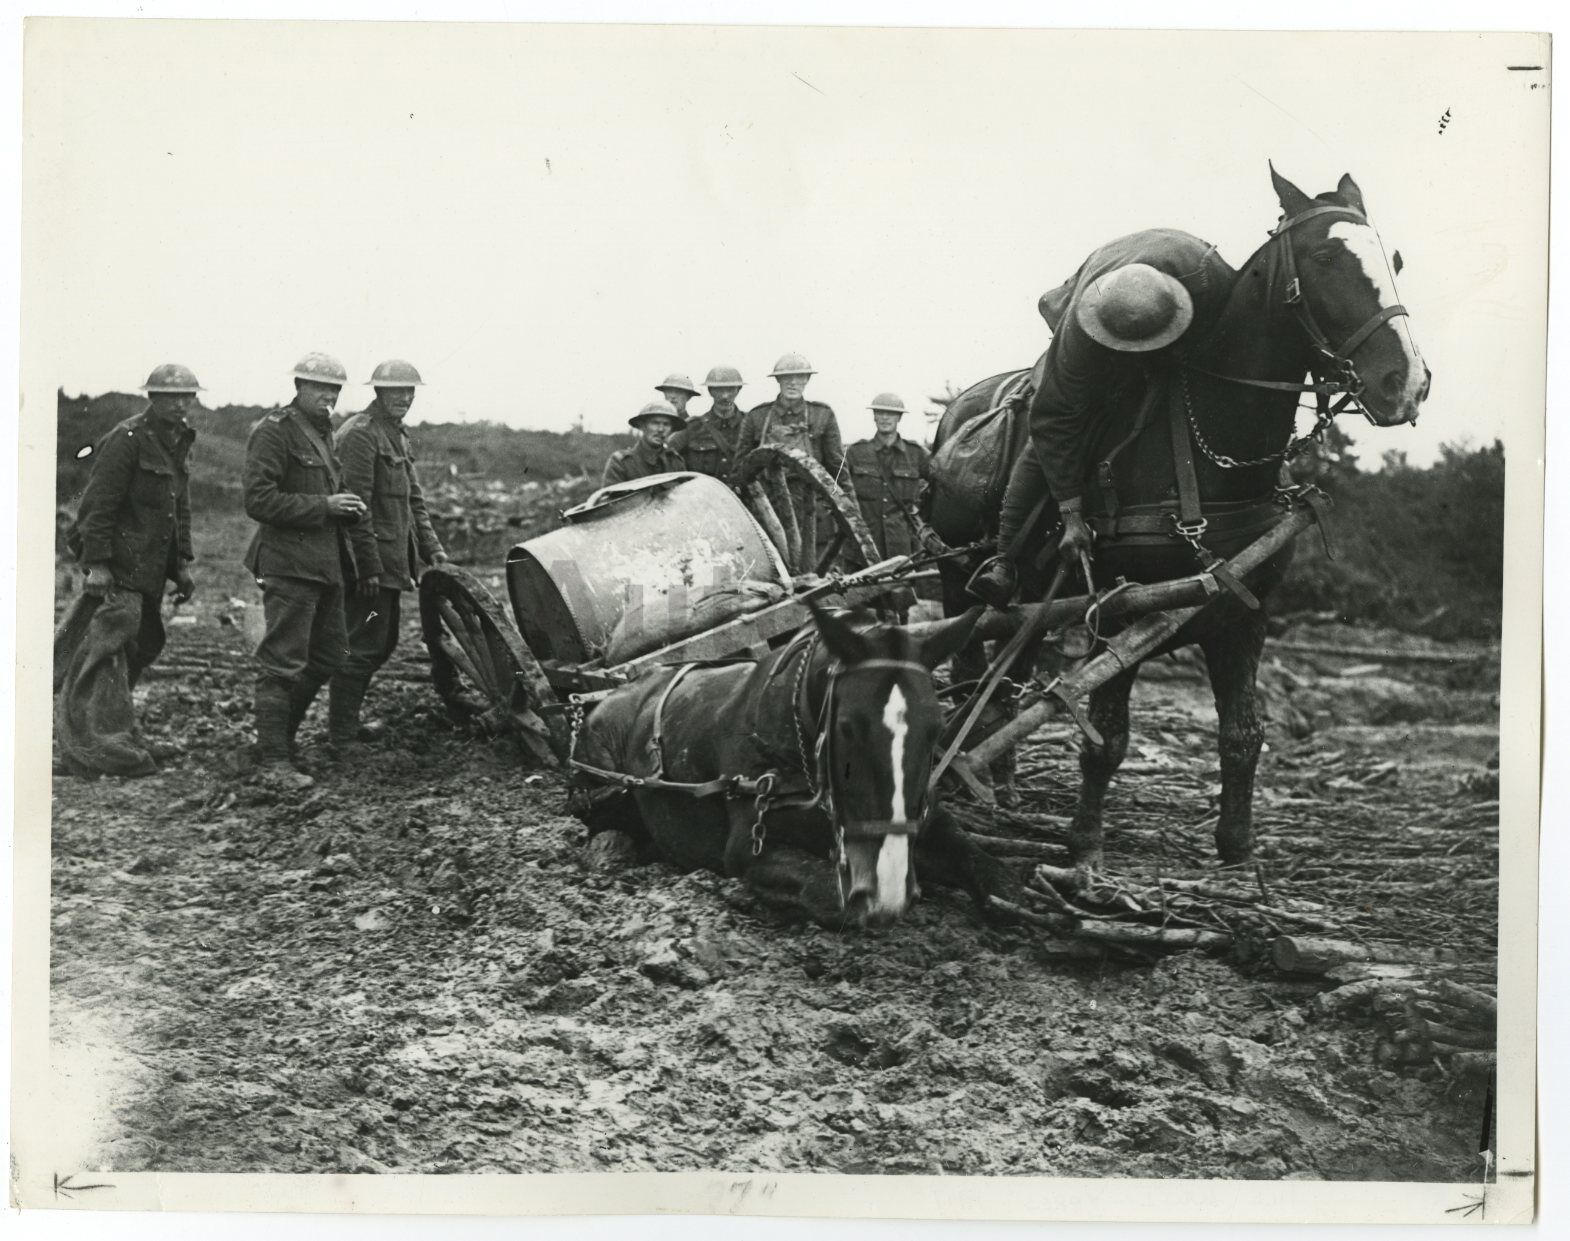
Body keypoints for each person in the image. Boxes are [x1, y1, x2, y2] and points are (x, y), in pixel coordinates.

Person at [966, 237, 1234, 607]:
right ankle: (1004, 559)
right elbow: (1052, 422)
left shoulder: (1213, 280)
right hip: (1086, 297)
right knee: (1045, 439)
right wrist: (1072, 515)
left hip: (1181, 291)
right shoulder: (1079, 333)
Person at [54, 364, 202, 777]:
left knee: (142, 644)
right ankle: (96, 746)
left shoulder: (178, 440)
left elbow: (178, 510)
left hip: (149, 570)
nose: (181, 404)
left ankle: (106, 734)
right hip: (119, 567)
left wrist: (182, 565)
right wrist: (97, 564)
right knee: (105, 650)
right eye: (172, 397)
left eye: (188, 397)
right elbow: (98, 506)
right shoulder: (127, 439)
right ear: (151, 398)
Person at [243, 352, 367, 791]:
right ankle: (273, 760)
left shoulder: (323, 434)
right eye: (320, 388)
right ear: (299, 386)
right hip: (289, 564)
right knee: (282, 663)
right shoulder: (274, 432)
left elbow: (326, 491)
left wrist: (344, 508)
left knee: (329, 656)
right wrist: (324, 507)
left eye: (334, 390)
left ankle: (280, 741)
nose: (328, 396)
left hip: (326, 564)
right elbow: (258, 500)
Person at [330, 360, 448, 752]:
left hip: (393, 563)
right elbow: (355, 508)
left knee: (379, 643)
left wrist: (433, 550)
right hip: (370, 566)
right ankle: (342, 734)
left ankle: (348, 723)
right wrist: (367, 567)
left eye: (409, 391)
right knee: (363, 644)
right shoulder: (359, 436)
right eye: (395, 391)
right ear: (378, 392)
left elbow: (414, 501)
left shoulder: (396, 435)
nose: (404, 398)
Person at [738, 353, 846, 567]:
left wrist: (848, 508)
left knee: (816, 572)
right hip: (771, 509)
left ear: (807, 380)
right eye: (787, 378)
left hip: (813, 512)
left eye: (799, 378)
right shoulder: (757, 417)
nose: (793, 383)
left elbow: (837, 466)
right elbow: (741, 469)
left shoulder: (821, 415)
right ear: (778, 380)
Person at [844, 392, 930, 559]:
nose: (885, 418)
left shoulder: (916, 454)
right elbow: (836, 488)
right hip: (865, 541)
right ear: (874, 417)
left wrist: (922, 511)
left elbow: (939, 483)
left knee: (904, 584)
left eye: (890, 413)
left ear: (899, 418)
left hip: (904, 543)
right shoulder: (855, 453)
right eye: (879, 413)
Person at [668, 365, 745, 485]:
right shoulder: (692, 427)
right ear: (710, 391)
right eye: (719, 390)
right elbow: (665, 457)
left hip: (742, 501)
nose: (725, 396)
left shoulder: (751, 425)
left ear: (738, 390)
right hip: (703, 500)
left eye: (730, 389)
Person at [602, 400, 686, 485]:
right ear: (642, 426)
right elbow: (611, 497)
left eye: (666, 424)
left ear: (671, 429)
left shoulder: (675, 463)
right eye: (655, 423)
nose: (661, 429)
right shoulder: (622, 462)